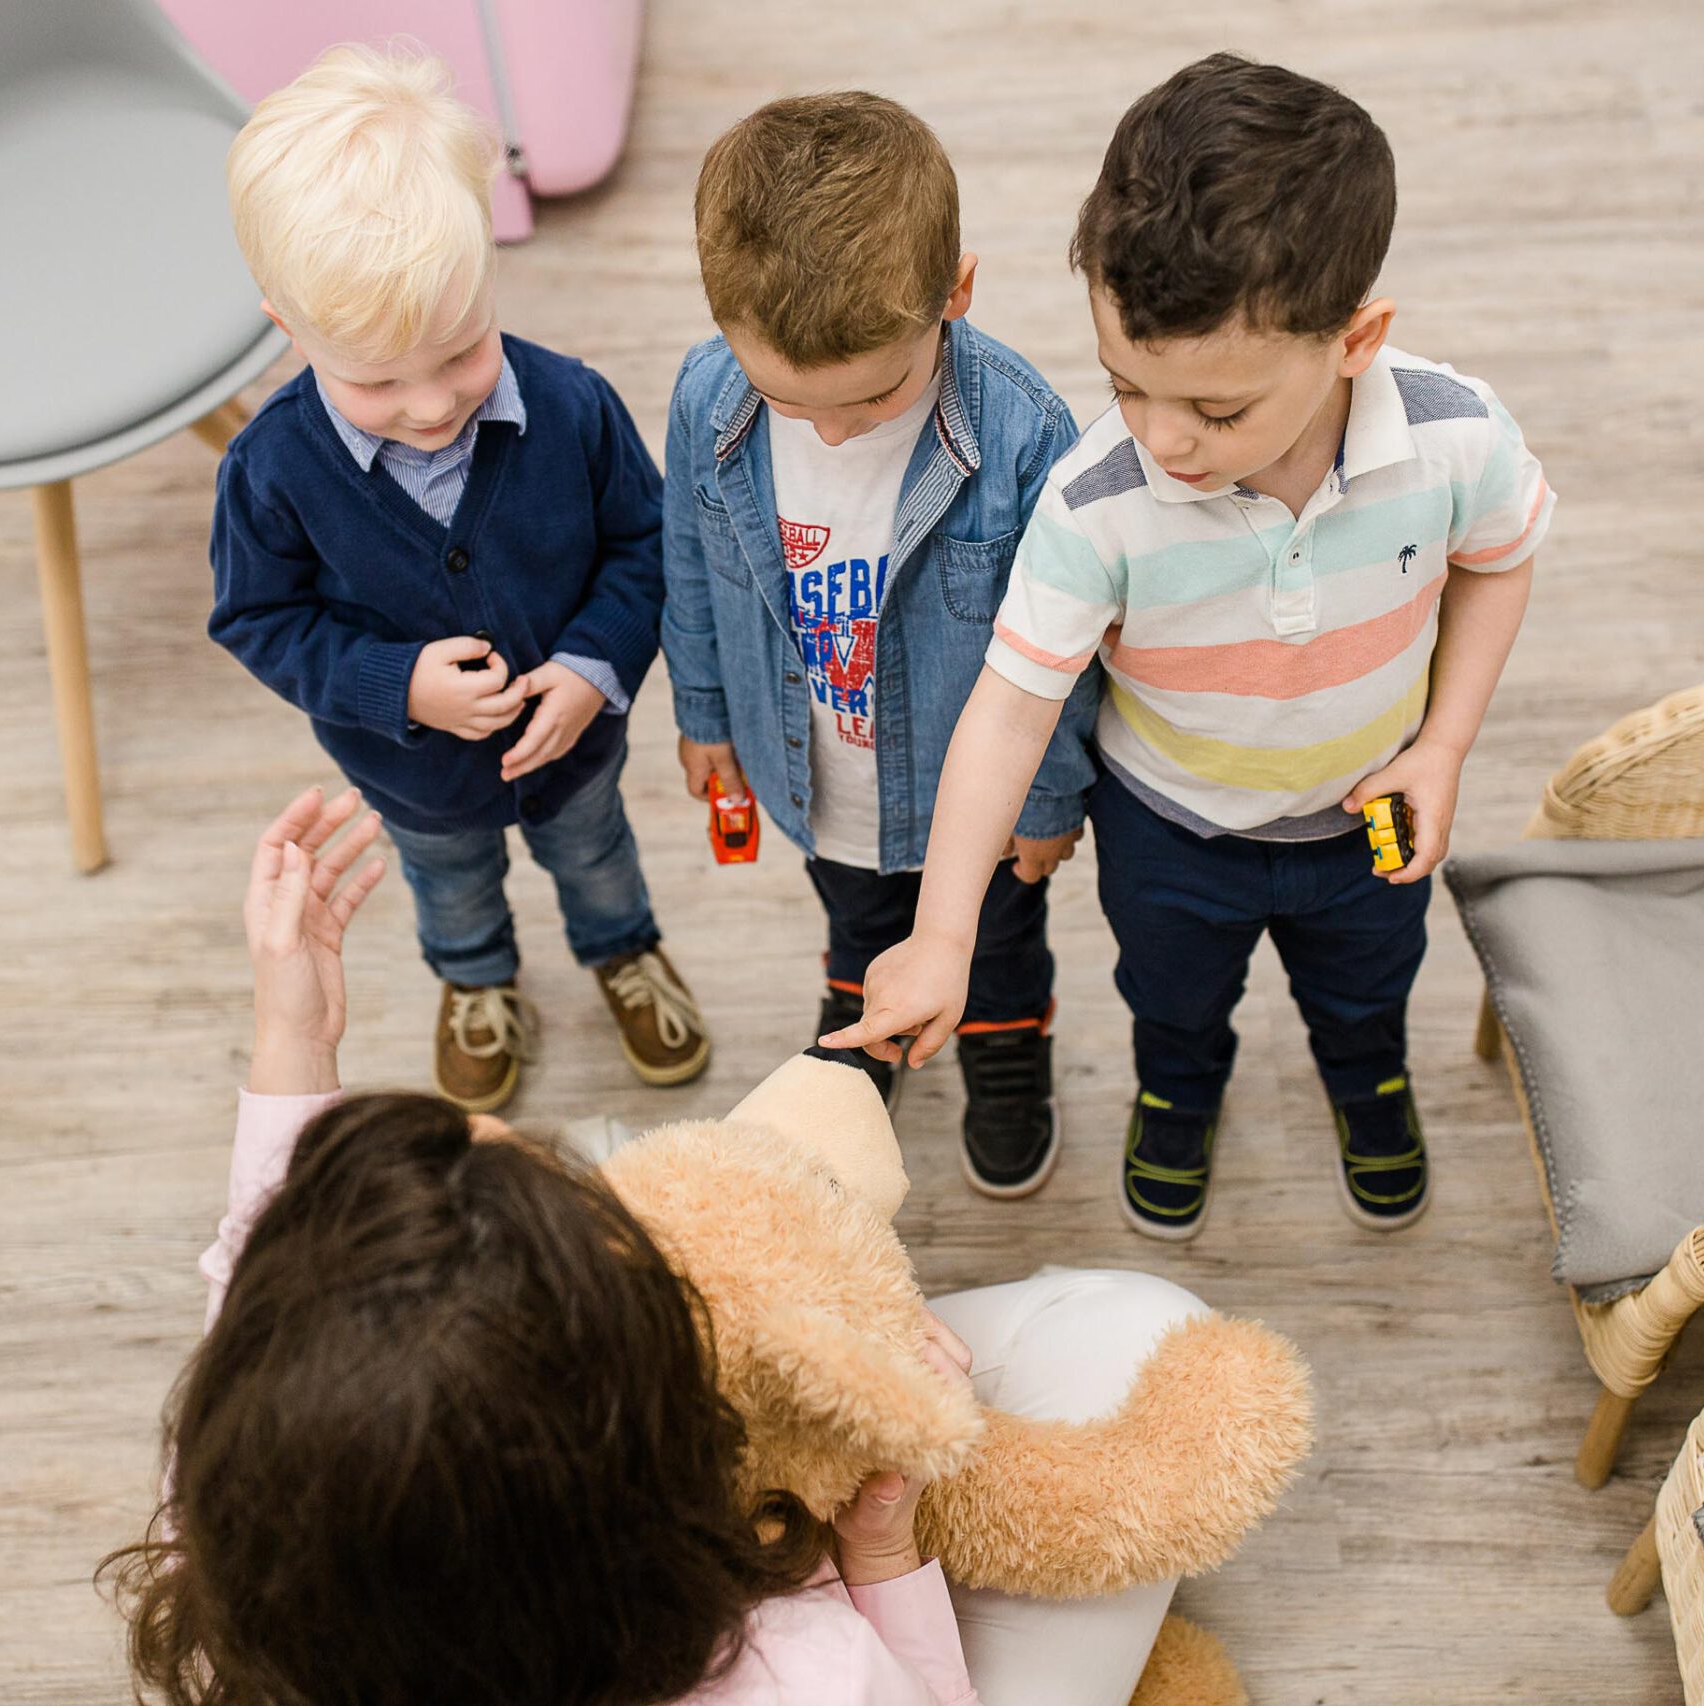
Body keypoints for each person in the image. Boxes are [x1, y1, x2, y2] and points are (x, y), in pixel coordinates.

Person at [103, 786, 1211, 1706]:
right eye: (605, 1237)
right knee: (1145, 1336)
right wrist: (880, 1545)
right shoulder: (795, 1671)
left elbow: (273, 1291)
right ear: (638, 1446)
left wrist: (294, 1035)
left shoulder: (244, 1501)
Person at [826, 55, 1552, 1241]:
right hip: (1166, 830)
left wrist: (1447, 744)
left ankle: (1367, 1080)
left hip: (1365, 817)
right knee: (1171, 1000)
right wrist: (944, 930)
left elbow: (1500, 556)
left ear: (1356, 338)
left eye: (1217, 411)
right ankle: (1175, 1093)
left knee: (1367, 993)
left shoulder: (1454, 439)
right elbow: (1010, 708)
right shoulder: (1093, 501)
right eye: (1126, 384)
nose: (1163, 439)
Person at [208, 45, 706, 1115]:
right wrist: (397, 685)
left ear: (489, 272)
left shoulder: (572, 408)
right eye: (378, 378)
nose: (432, 405)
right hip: (418, 779)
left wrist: (592, 665)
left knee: (600, 857)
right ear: (288, 329)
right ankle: (477, 983)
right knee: (450, 885)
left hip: (575, 750)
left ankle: (623, 951)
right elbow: (259, 617)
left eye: (461, 349)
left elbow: (647, 539)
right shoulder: (271, 470)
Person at [658, 93, 1099, 1198]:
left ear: (955, 291)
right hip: (813, 768)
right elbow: (690, 563)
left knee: (998, 939)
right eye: (785, 397)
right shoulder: (708, 401)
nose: (835, 431)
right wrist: (704, 711)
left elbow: (1066, 642)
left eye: (871, 395)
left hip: (975, 794)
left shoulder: (1021, 432)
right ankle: (863, 1016)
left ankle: (1005, 1046)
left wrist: (1045, 802)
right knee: (852, 913)